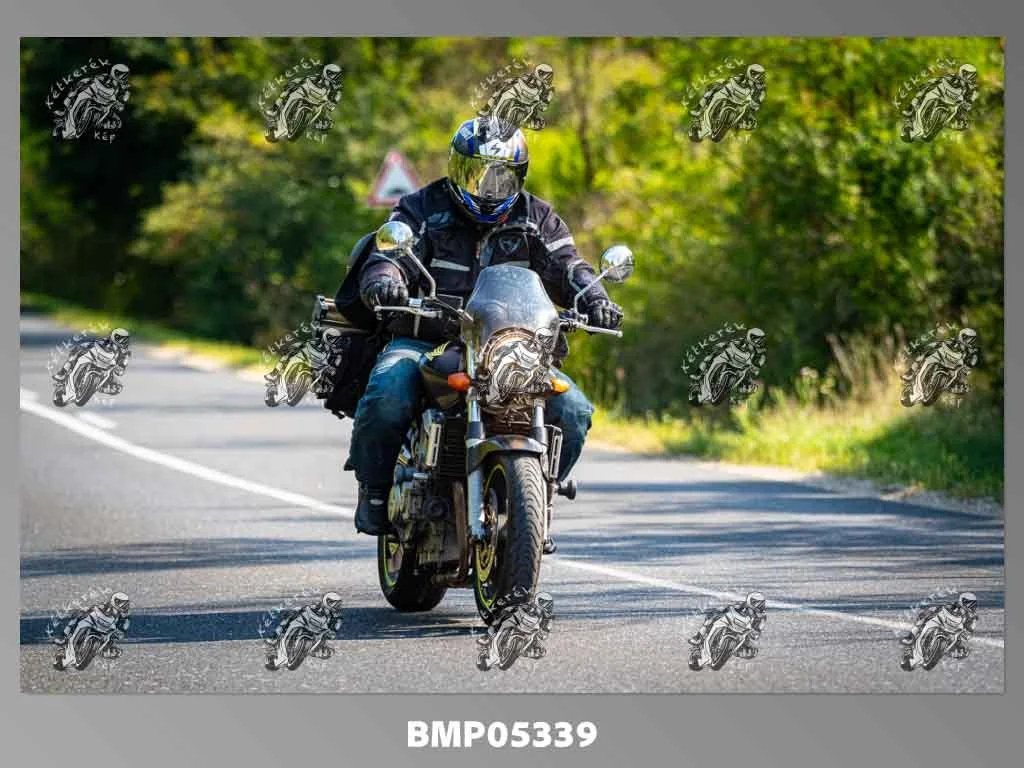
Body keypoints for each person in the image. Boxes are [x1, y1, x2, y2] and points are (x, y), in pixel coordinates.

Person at [345, 117, 623, 535]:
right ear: (456, 168)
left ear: (520, 176)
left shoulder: (536, 217)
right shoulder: (423, 207)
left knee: (574, 411)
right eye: (476, 173)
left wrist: (596, 297)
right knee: (388, 389)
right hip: (430, 338)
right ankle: (376, 490)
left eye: (501, 176)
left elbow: (569, 266)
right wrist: (385, 281)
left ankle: (534, 500)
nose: (488, 187)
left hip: (511, 347)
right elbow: (389, 255)